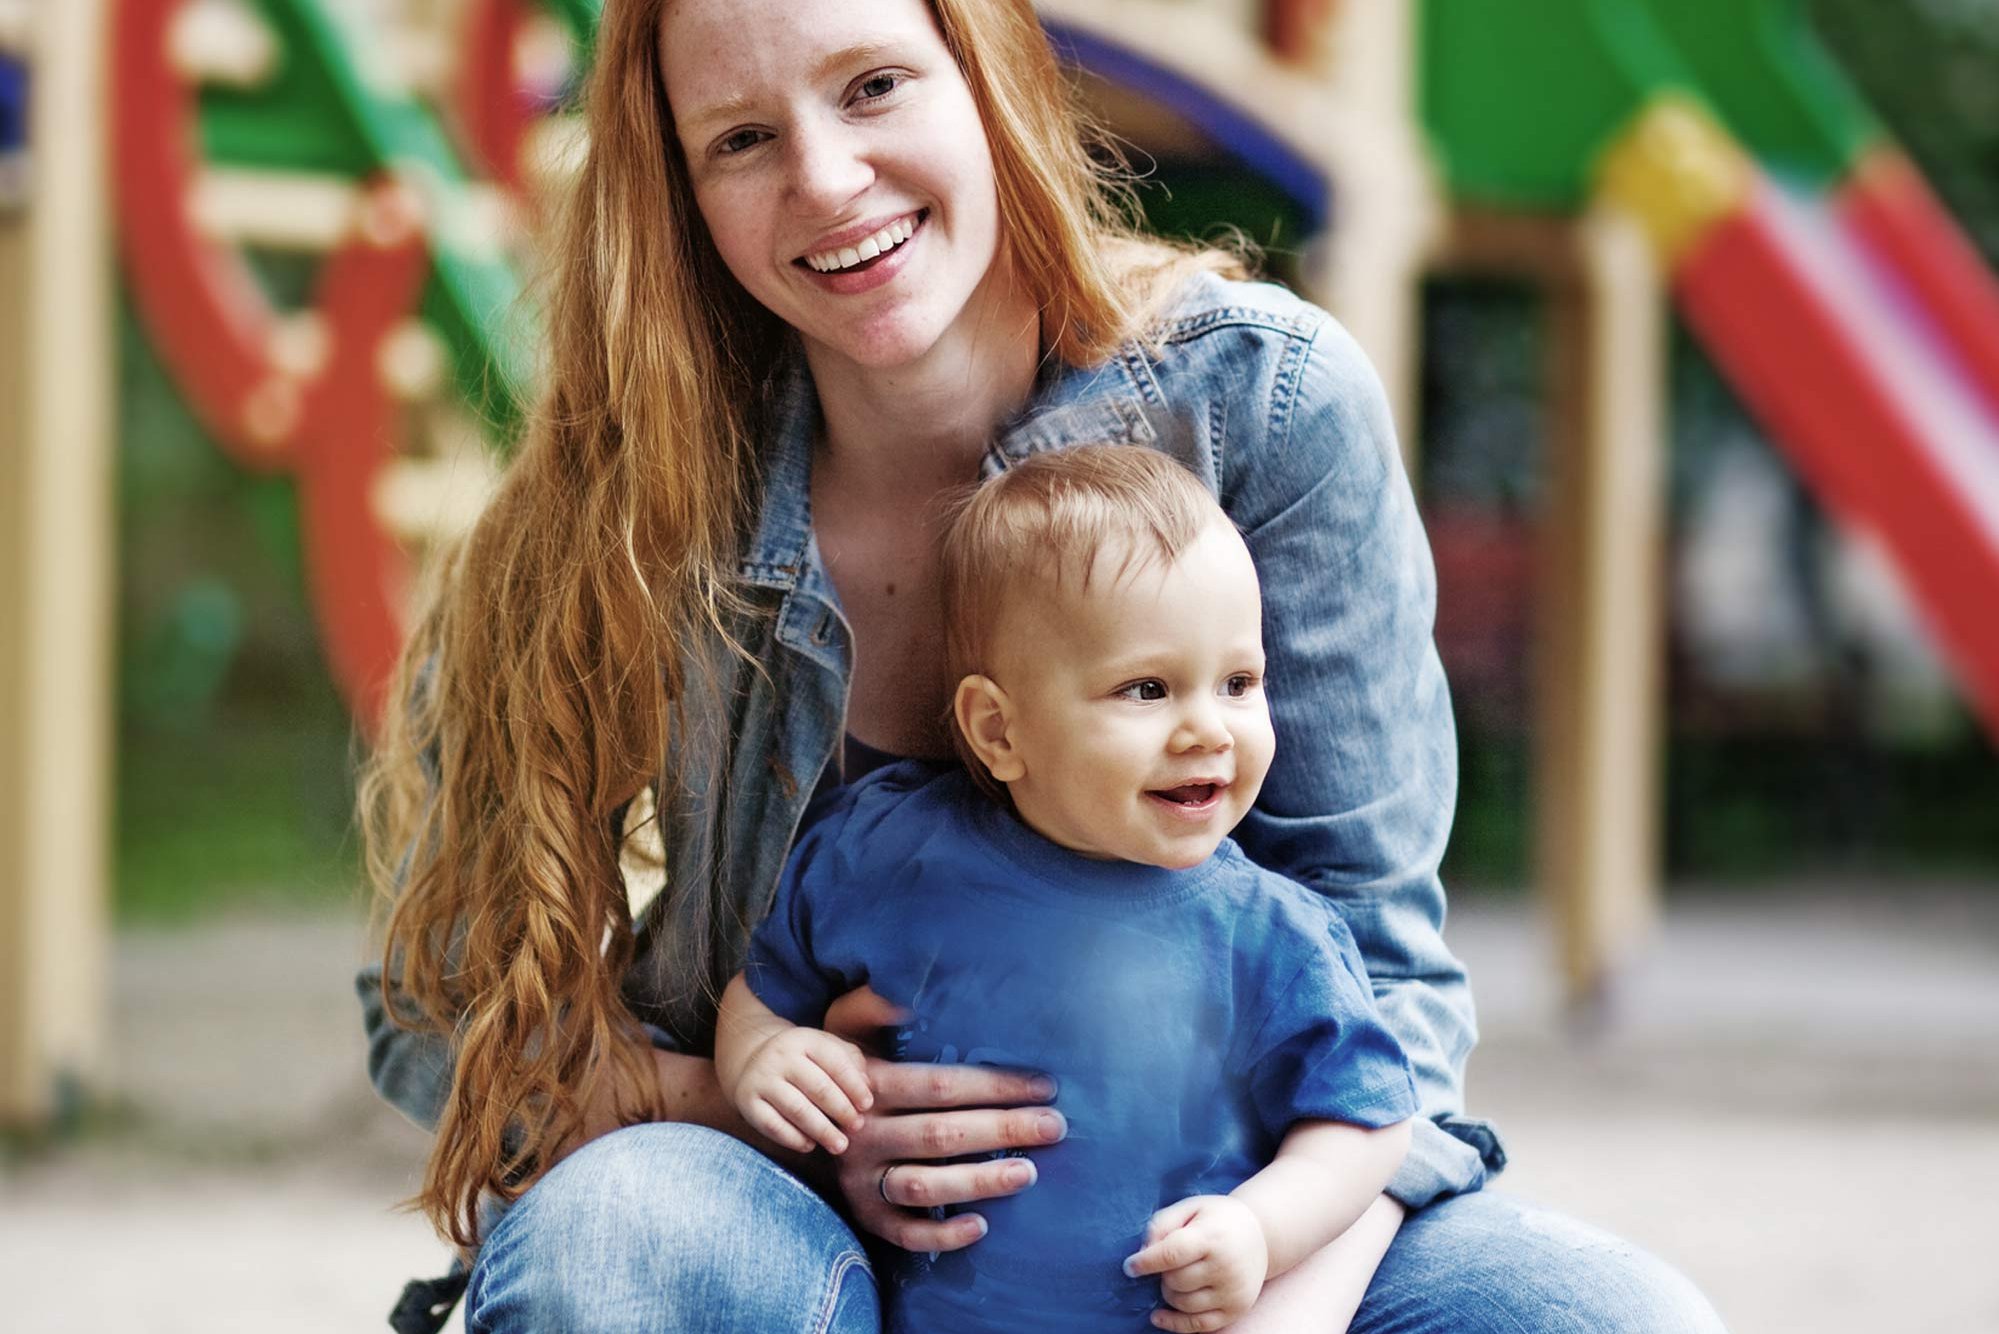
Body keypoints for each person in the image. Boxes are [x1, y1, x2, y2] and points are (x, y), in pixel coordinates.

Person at [357, 0, 1730, 1330]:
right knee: (624, 1247)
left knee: (1617, 1317)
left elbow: (1383, 988)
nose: (829, 181)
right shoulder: (625, 505)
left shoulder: (1263, 409)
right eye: (740, 140)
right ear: (680, 192)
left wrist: (1271, 1286)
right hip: (767, 1218)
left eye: (873, 84)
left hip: (1218, 1230)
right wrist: (785, 1104)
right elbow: (435, 1015)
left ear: (986, 71)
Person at [714, 446, 1418, 1333]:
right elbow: (763, 992)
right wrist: (760, 1057)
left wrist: (1261, 1230)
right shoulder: (893, 855)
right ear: (999, 730)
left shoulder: (1267, 932)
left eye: (1240, 682)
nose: (1210, 729)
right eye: (1148, 689)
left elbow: (1366, 1121)